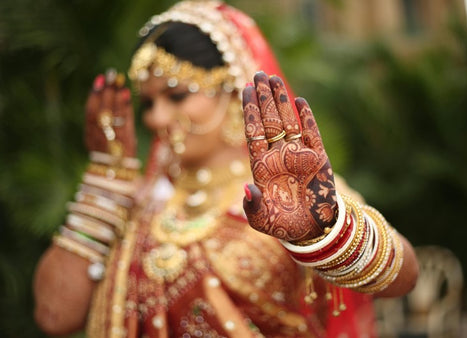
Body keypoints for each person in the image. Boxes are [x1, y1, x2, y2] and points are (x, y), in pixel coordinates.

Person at [33, 1, 419, 337]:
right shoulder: (139, 202)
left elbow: (405, 277)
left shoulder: (287, 196)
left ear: (235, 91)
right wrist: (105, 182)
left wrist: (326, 234)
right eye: (148, 103)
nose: (156, 118)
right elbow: (54, 316)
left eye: (177, 94)